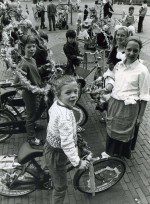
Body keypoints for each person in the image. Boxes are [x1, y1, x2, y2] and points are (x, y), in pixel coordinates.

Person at [44, 75, 89, 204]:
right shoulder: (64, 117)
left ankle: (49, 170)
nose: (74, 95)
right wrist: (78, 163)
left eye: (75, 91)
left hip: (50, 145)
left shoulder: (57, 104)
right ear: (59, 95)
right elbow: (67, 144)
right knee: (61, 187)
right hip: (57, 154)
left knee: (52, 167)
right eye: (68, 92)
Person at [103, 36, 150, 159]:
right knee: (112, 129)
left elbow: (144, 96)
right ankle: (110, 153)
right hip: (114, 104)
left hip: (129, 108)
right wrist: (108, 85)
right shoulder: (119, 65)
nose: (132, 53)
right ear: (125, 49)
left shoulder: (142, 71)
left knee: (124, 133)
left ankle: (120, 156)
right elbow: (113, 78)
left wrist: (140, 117)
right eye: (129, 49)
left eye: (135, 50)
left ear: (139, 51)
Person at [15, 35, 48, 146]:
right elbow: (17, 83)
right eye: (29, 47)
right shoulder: (23, 64)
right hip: (30, 94)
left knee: (43, 106)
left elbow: (34, 72)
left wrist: (43, 68)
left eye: (34, 46)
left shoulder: (32, 59)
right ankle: (31, 138)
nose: (32, 49)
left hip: (37, 91)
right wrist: (30, 87)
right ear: (23, 48)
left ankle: (33, 123)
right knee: (30, 115)